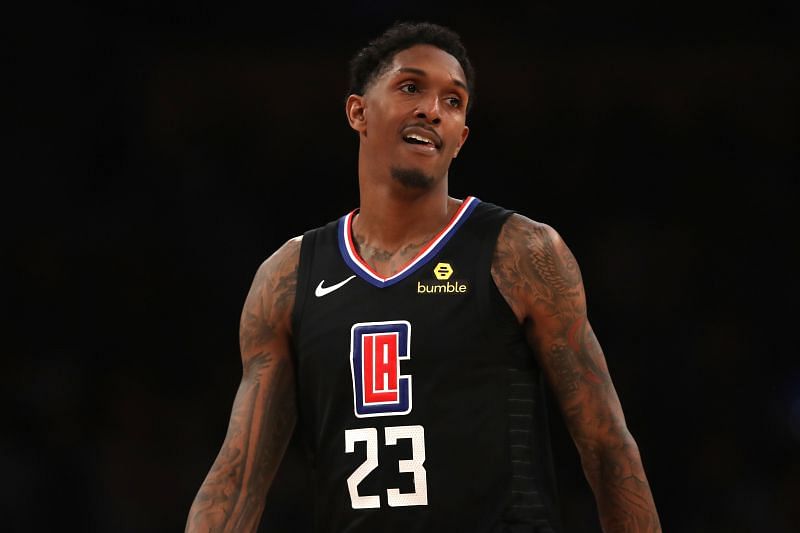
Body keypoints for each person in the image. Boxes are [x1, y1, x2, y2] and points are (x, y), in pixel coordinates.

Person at [185, 21, 661, 533]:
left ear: (461, 139)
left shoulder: (518, 251)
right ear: (358, 112)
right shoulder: (289, 276)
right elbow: (237, 478)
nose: (433, 110)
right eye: (411, 87)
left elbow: (608, 445)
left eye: (453, 102)